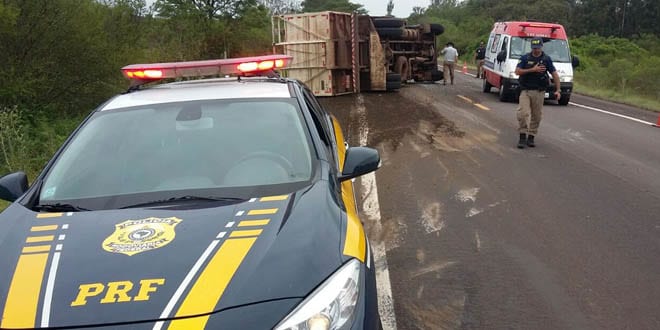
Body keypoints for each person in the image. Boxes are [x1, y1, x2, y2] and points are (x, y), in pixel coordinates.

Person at [514, 37, 560, 148]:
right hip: (526, 90)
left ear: (541, 47)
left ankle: (531, 136)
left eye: (538, 48)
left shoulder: (546, 59)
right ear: (531, 47)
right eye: (534, 48)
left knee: (537, 116)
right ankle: (522, 135)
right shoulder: (525, 58)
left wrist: (558, 90)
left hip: (539, 91)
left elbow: (554, 74)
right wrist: (532, 70)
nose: (536, 50)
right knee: (523, 113)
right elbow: (517, 71)